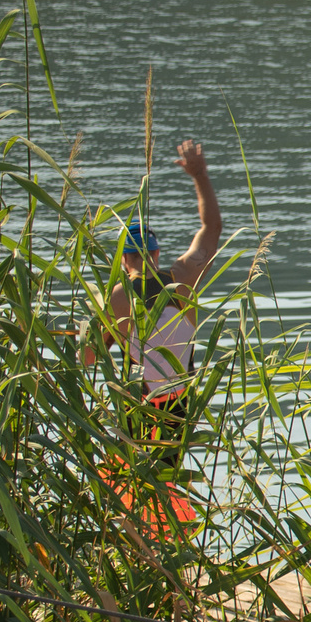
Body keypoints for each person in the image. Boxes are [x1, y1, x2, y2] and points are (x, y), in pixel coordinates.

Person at [85, 139, 224, 472]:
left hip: (140, 405)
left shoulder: (116, 298)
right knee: (167, 475)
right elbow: (212, 227)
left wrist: (90, 333)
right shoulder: (184, 278)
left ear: (123, 258)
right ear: (156, 253)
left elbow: (87, 359)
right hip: (180, 405)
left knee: (133, 480)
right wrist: (199, 174)